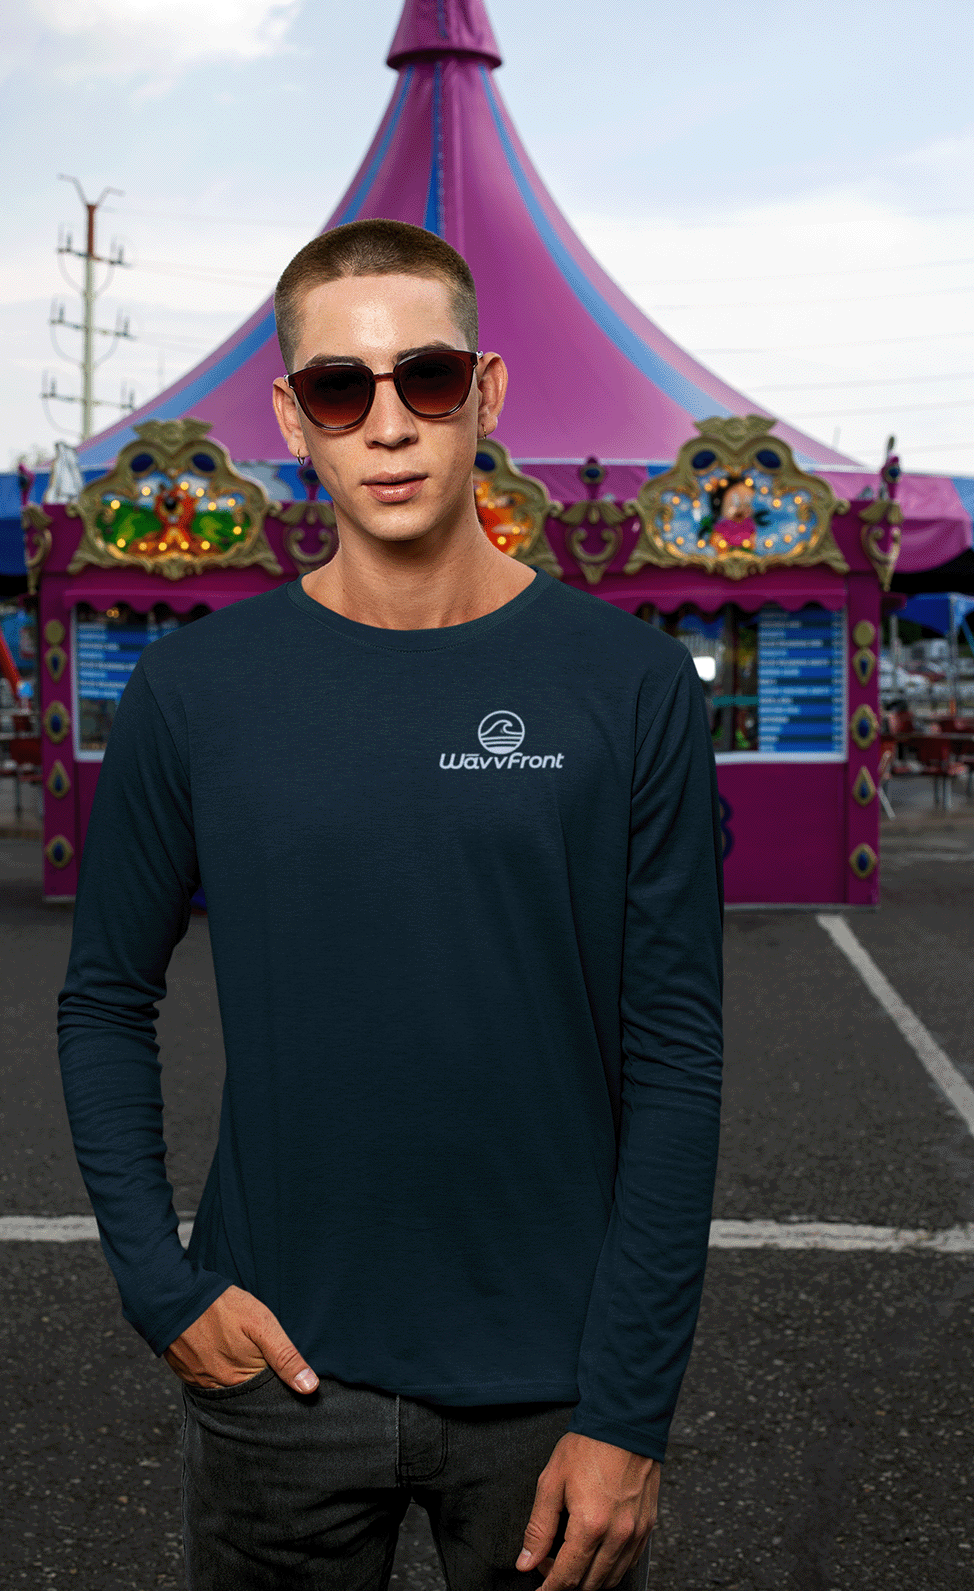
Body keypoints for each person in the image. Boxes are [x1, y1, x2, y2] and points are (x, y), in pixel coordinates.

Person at [58, 218, 724, 1591]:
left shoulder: (632, 686)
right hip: (277, 1381)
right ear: (290, 415)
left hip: (553, 1392)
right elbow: (104, 1000)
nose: (389, 425)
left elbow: (675, 1059)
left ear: (484, 393)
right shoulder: (196, 696)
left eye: (424, 379)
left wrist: (629, 1410)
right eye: (342, 389)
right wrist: (161, 1287)